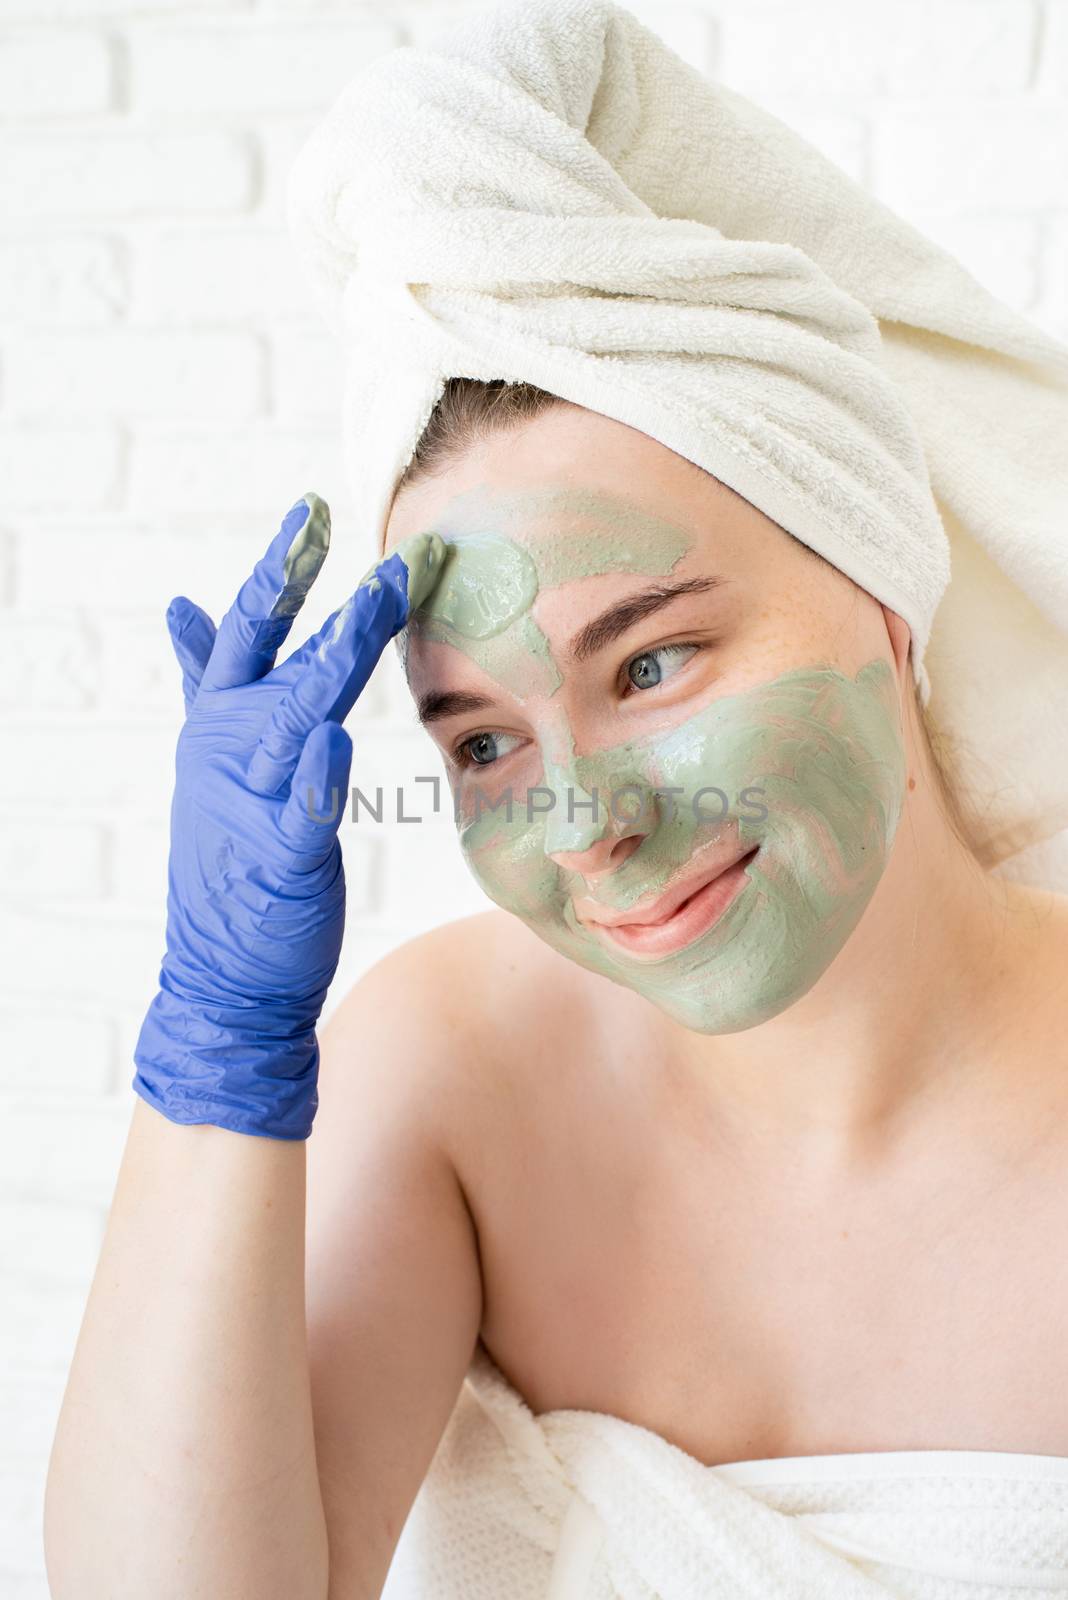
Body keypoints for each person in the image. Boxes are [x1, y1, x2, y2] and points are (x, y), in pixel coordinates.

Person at [43, 378, 1068, 1600]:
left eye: (652, 664)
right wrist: (216, 1039)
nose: (582, 827)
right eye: (483, 743)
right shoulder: (455, 1065)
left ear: (885, 602)